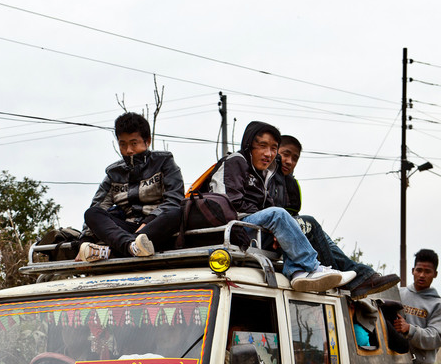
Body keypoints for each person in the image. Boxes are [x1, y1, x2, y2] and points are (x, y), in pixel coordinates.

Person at [208, 121, 355, 293]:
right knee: (278, 215)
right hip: (235, 225)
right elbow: (229, 202)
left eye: (273, 148)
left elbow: (267, 204)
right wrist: (270, 223)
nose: (268, 153)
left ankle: (298, 272)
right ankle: (314, 267)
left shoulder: (263, 172)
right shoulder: (235, 161)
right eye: (262, 146)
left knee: (284, 220)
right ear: (249, 145)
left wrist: (277, 228)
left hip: (252, 227)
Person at [269, 134, 400, 299]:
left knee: (321, 235)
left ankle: (361, 276)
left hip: (287, 229)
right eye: (285, 154)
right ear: (274, 151)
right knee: (311, 223)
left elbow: (294, 214)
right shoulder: (266, 175)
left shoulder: (290, 183)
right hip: (272, 228)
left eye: (295, 158)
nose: (289, 161)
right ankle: (344, 278)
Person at [77, 112, 184, 261]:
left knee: (175, 213)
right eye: (123, 144)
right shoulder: (113, 173)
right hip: (125, 230)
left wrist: (146, 225)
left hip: (156, 227)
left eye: (134, 143)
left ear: (147, 141)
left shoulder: (164, 162)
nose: (129, 150)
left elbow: (174, 199)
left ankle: (112, 252)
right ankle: (130, 247)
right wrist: (85, 242)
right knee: (92, 213)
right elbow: (99, 206)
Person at [394, 249, 441, 364]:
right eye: (419, 270)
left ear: (435, 274)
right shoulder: (399, 293)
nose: (422, 275)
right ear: (413, 270)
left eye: (427, 271)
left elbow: (436, 337)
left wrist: (410, 329)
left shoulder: (437, 304)